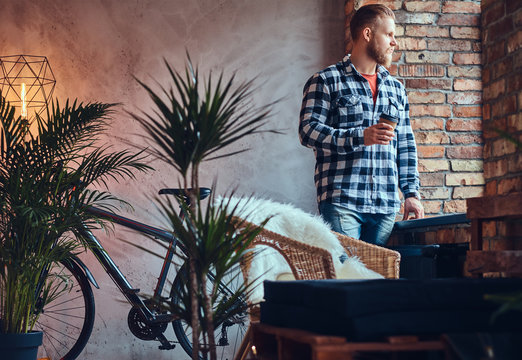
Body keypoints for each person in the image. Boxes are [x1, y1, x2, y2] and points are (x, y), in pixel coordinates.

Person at [298, 4, 424, 246]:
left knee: (376, 280)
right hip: (342, 201)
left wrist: (411, 194)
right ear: (367, 34)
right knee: (349, 276)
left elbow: (406, 145)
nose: (394, 42)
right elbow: (308, 131)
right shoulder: (325, 81)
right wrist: (360, 137)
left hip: (386, 205)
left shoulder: (396, 89)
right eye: (389, 34)